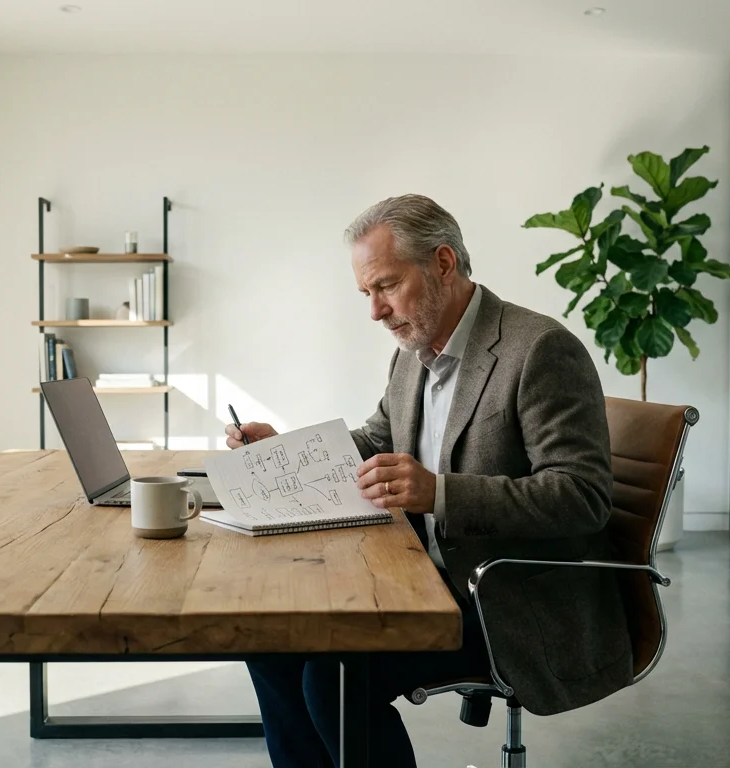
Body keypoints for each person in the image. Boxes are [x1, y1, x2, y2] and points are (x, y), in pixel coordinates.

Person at [225, 194, 630, 767]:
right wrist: (283, 451)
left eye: (386, 286)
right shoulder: (414, 351)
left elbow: (582, 497)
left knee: (333, 679)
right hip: (423, 577)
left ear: (443, 263)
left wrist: (439, 493)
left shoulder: (538, 349)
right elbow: (377, 440)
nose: (375, 311)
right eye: (366, 293)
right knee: (271, 646)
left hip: (511, 599)